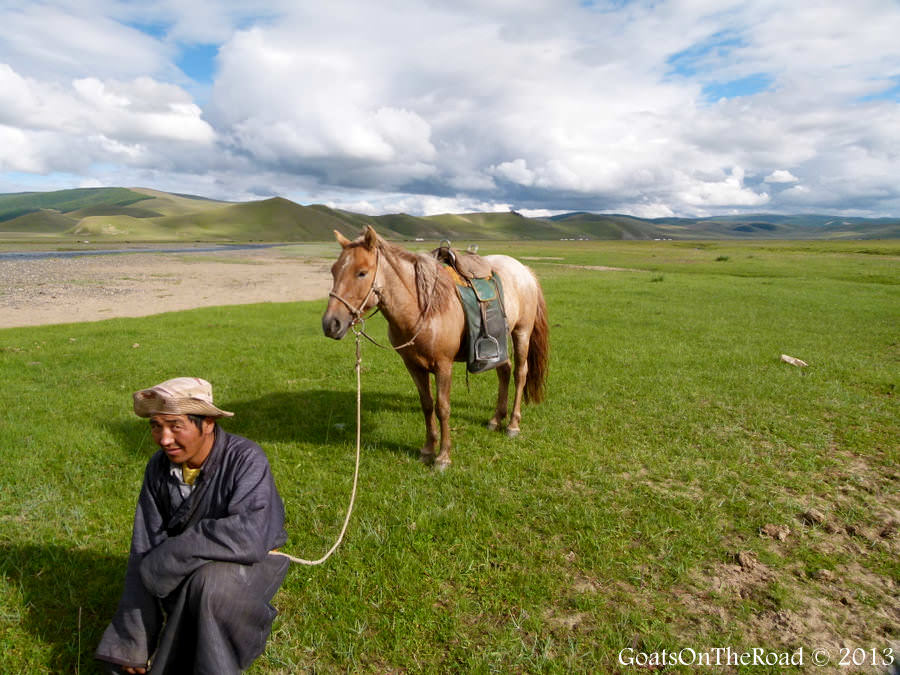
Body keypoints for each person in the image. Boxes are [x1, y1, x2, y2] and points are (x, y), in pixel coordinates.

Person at [96, 377, 290, 674]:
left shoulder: (246, 458)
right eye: (155, 426)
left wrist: (169, 557)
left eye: (175, 426)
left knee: (209, 588)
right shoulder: (158, 468)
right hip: (189, 562)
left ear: (208, 423)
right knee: (172, 578)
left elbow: (249, 537)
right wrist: (131, 642)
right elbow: (143, 546)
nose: (164, 439)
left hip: (255, 561)